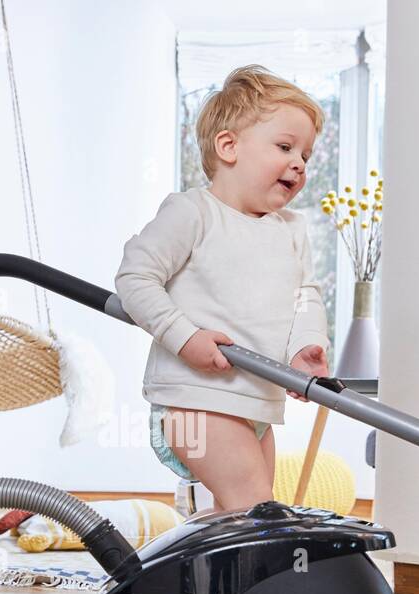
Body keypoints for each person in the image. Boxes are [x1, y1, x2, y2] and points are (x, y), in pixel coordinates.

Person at [115, 64, 330, 513]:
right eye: (285, 146)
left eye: (306, 155)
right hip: (197, 399)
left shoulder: (292, 229)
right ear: (229, 146)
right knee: (253, 507)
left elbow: (305, 295)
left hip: (258, 404)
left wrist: (306, 345)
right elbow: (135, 277)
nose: (299, 163)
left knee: (237, 516)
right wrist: (185, 337)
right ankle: (257, 583)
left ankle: (202, 584)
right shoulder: (193, 213)